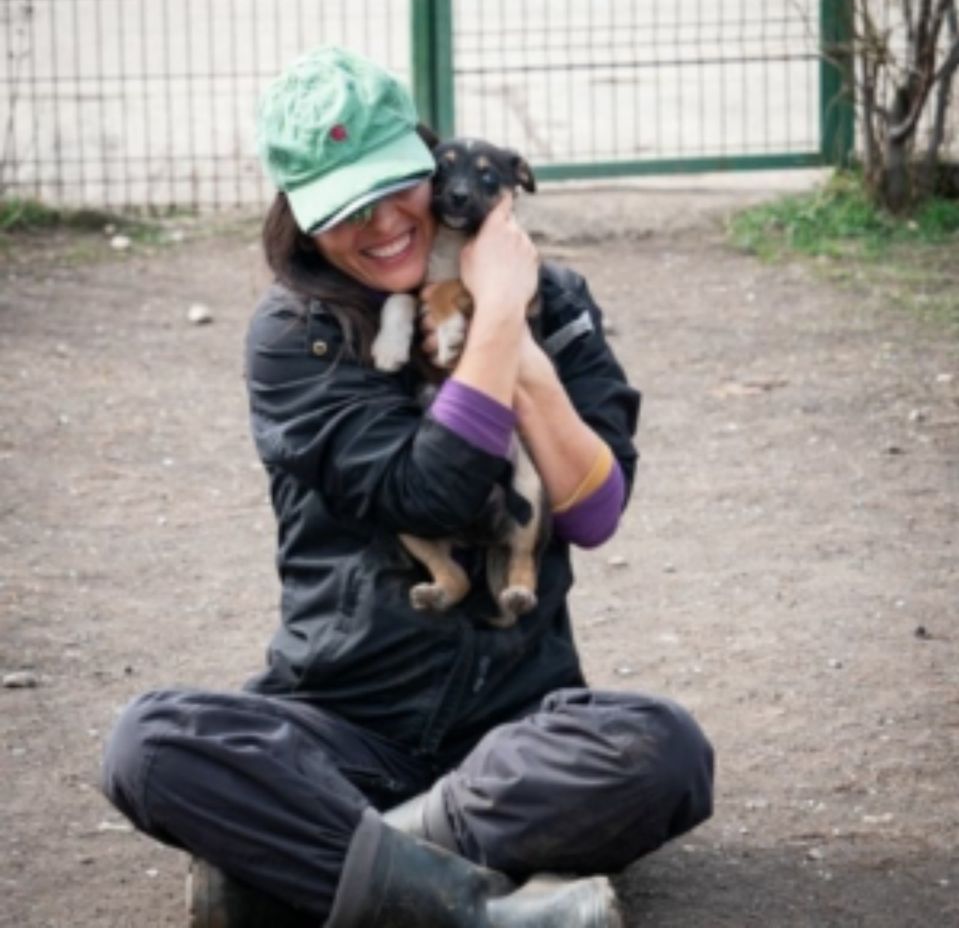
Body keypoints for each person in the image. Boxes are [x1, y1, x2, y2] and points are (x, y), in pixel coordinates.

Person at [100, 46, 714, 928]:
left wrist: (513, 326)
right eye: (345, 208)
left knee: (662, 753)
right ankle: (487, 909)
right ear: (303, 222)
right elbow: (431, 495)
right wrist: (498, 319)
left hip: (513, 730)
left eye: (398, 185)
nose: (385, 222)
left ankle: (335, 868)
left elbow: (594, 510)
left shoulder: (556, 298)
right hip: (342, 726)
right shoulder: (295, 336)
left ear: (431, 161)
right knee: (149, 747)